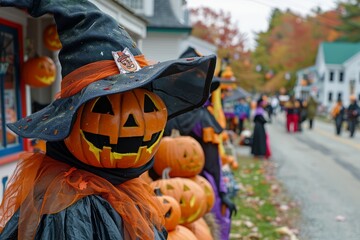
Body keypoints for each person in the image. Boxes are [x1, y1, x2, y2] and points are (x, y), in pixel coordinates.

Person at [0, 0, 216, 239]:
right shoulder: (66, 208)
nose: (131, 124)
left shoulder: (129, 191)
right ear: (71, 118)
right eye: (106, 106)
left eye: (146, 105)